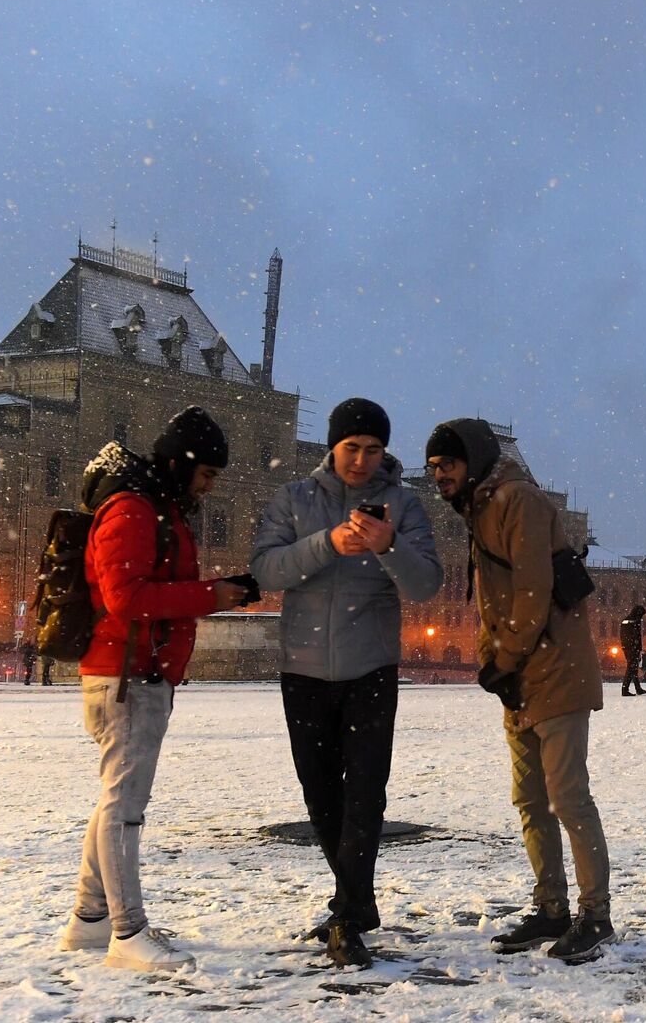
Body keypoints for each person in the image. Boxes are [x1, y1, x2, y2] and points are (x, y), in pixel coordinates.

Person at [250, 397, 444, 968]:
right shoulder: (294, 498)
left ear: (385, 452)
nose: (361, 459)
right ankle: (357, 901)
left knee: (365, 792)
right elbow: (265, 569)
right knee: (320, 793)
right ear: (332, 447)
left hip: (372, 668)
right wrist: (325, 544)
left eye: (373, 449)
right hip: (304, 667)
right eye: (351, 447)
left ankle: (348, 911)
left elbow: (427, 584)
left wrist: (388, 545)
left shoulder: (403, 505)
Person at [59, 409, 251, 972]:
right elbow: (128, 598)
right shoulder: (132, 509)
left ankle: (90, 921)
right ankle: (128, 933)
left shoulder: (152, 506)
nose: (210, 487)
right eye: (206, 474)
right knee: (125, 807)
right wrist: (213, 594)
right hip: (125, 676)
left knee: (114, 801)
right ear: (178, 463)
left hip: (136, 671)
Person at [427, 418, 615, 964]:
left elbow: (532, 595)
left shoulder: (517, 502)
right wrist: (497, 660)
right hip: (521, 674)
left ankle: (595, 915)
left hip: (553, 669)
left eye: (449, 465)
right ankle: (551, 908)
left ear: (474, 462)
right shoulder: (480, 508)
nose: (440, 475)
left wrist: (502, 659)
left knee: (568, 799)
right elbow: (498, 600)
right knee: (532, 801)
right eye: (435, 467)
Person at [619, 605, 646, 696]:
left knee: (633, 669)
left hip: (628, 647)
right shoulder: (634, 621)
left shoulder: (628, 620)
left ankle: (637, 689)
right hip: (632, 648)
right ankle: (625, 689)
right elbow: (636, 636)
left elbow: (625, 635)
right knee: (631, 668)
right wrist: (637, 647)